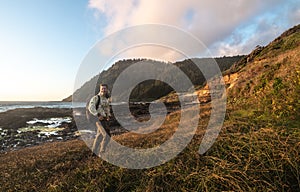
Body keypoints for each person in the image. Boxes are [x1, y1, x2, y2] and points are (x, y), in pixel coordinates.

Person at [88, 84, 112, 155]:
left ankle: (94, 152)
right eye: (102, 88)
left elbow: (107, 109)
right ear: (100, 89)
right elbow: (91, 107)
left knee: (99, 136)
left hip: (104, 119)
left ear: (107, 90)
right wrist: (98, 115)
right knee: (107, 135)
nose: (103, 90)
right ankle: (102, 152)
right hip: (98, 120)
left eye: (105, 89)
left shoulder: (106, 99)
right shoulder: (96, 98)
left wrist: (108, 116)